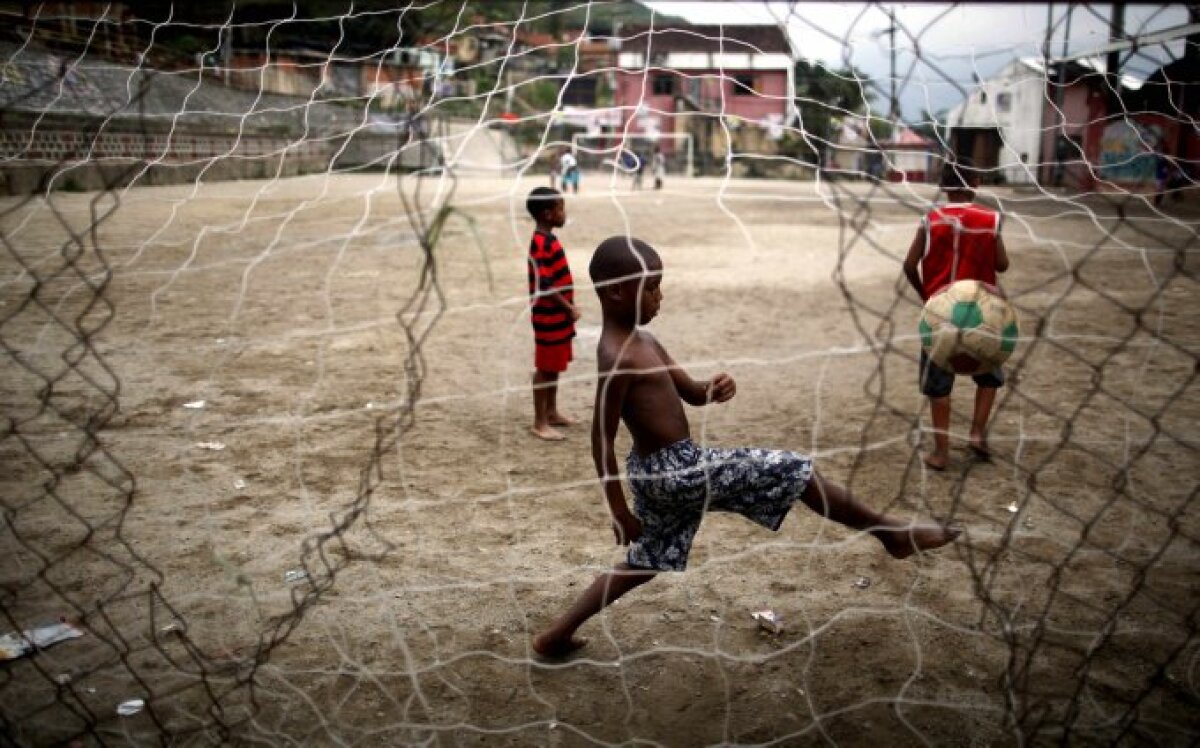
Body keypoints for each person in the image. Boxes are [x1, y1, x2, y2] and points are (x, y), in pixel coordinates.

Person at [532, 236, 960, 658]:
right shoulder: (615, 356)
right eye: (652, 287)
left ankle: (555, 637)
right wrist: (619, 511)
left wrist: (713, 388)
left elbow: (692, 393)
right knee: (796, 470)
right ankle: (891, 534)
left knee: (649, 559)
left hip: (663, 472)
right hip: (672, 472)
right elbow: (600, 437)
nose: (660, 296)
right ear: (617, 291)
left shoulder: (646, 343)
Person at [902, 159, 1010, 471]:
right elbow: (1002, 265)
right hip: (982, 311)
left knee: (939, 385)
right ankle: (976, 432)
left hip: (940, 312)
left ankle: (941, 453)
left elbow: (910, 265)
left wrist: (927, 295)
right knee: (988, 374)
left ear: (944, 186)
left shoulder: (931, 219)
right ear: (976, 182)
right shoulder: (990, 219)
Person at [526, 187, 581, 441]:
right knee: (544, 368)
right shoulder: (539, 243)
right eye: (560, 208)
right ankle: (539, 423)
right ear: (547, 214)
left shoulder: (549, 239)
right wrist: (568, 307)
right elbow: (545, 284)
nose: (563, 213)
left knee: (554, 366)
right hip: (548, 315)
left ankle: (551, 412)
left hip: (558, 316)